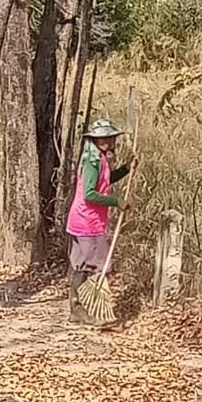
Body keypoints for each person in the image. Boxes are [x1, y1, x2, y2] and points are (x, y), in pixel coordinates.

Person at [65, 117, 131, 324]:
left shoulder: (99, 159)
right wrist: (115, 201)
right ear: (93, 140)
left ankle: (79, 309)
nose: (107, 142)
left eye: (110, 138)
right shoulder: (92, 162)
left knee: (82, 265)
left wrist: (126, 169)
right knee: (90, 266)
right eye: (102, 139)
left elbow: (105, 181)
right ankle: (84, 309)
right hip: (87, 222)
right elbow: (90, 194)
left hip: (86, 221)